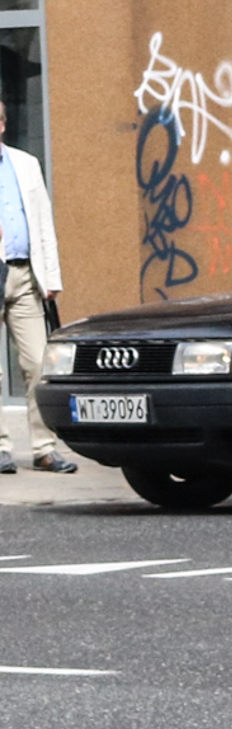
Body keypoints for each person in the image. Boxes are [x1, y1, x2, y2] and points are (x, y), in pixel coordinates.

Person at [0, 102, 72, 474]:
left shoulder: (25, 163)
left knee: (38, 363)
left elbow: (43, 222)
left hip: (26, 275)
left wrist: (52, 278)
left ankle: (44, 448)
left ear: (2, 125)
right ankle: (0, 448)